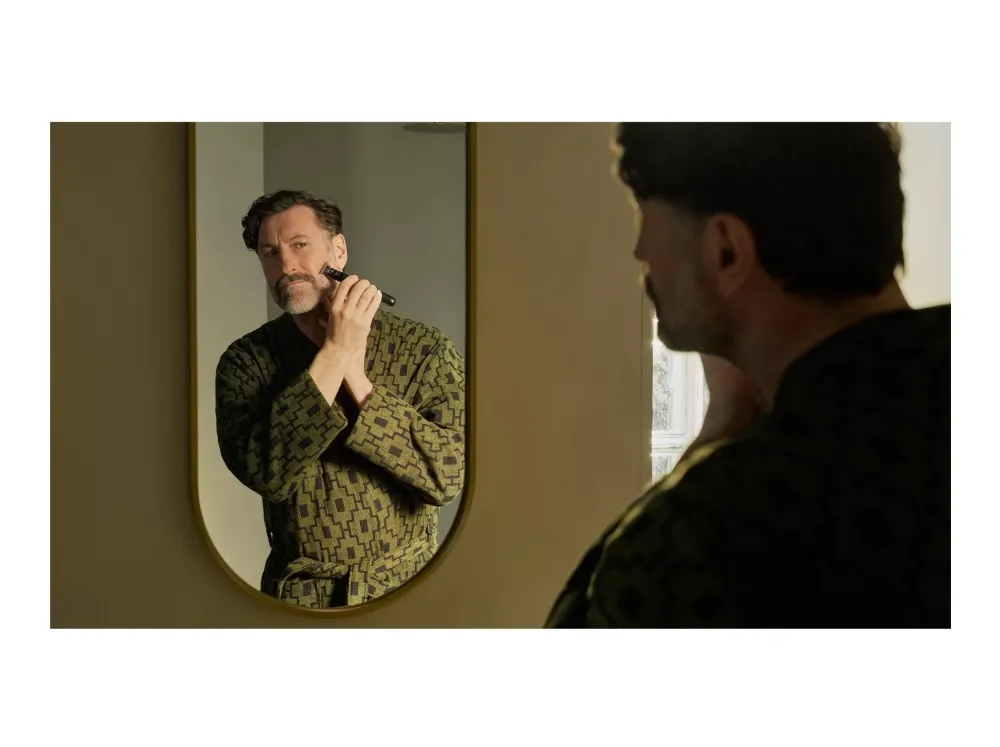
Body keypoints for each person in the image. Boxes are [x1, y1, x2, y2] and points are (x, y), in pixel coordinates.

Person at [545, 123, 950, 628]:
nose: (640, 252)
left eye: (644, 217)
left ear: (727, 251)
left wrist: (719, 429)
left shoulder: (703, 533)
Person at [215, 189, 466, 608]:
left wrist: (354, 373)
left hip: (408, 593)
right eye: (270, 253)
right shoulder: (245, 361)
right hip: (298, 602)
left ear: (339, 251)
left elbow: (447, 476)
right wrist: (335, 352)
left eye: (300, 245)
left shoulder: (425, 349)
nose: (286, 266)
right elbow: (267, 473)